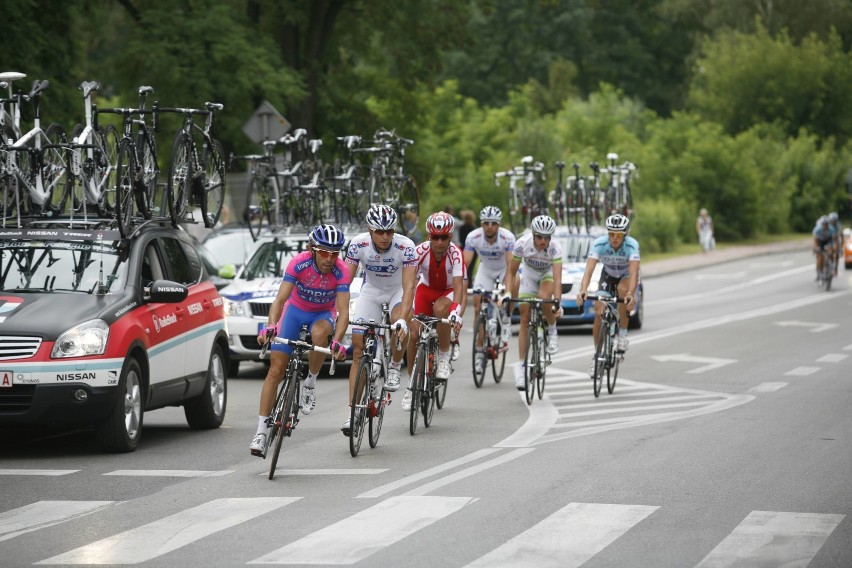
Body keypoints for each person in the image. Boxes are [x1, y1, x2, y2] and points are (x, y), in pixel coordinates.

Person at [249, 224, 350, 457]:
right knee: (275, 370)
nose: (330, 258)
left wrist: (337, 341)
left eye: (335, 253)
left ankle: (310, 382)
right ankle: (261, 432)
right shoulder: (299, 263)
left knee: (318, 335)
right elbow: (280, 299)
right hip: (295, 311)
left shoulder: (341, 271)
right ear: (312, 250)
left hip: (323, 314)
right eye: (324, 252)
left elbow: (343, 312)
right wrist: (271, 326)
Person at [342, 204, 417, 435]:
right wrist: (341, 312)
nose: (385, 237)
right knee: (357, 349)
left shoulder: (406, 246)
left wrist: (403, 319)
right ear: (370, 230)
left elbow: (409, 287)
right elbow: (344, 283)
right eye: (379, 231)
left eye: (389, 231)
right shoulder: (358, 244)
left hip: (397, 291)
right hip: (371, 291)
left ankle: (394, 365)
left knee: (398, 325)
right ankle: (353, 412)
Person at [402, 211, 465, 410]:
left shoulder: (456, 254)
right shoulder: (419, 251)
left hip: (447, 292)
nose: (439, 242)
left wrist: (455, 311)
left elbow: (459, 289)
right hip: (425, 290)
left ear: (450, 237)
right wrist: (408, 309)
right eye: (434, 237)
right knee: (414, 334)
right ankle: (412, 386)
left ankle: (444, 355)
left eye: (443, 237)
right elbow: (410, 284)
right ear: (429, 236)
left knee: (441, 309)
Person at [576, 214, 640, 377]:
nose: (614, 238)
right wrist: (583, 289)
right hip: (608, 276)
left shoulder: (632, 246)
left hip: (626, 277)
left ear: (625, 234)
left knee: (622, 291)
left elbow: (633, 273)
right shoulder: (600, 243)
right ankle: (597, 356)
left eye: (618, 235)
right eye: (611, 234)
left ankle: (623, 335)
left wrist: (631, 295)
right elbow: (589, 270)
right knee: (598, 311)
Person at [504, 214, 563, 390]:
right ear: (533, 234)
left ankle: (552, 330)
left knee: (544, 298)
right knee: (524, 317)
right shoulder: (522, 244)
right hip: (529, 275)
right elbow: (511, 272)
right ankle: (522, 369)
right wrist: (508, 292)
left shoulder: (555, 248)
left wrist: (557, 302)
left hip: (547, 275)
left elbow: (558, 279)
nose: (543, 241)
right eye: (539, 236)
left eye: (547, 237)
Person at [463, 205, 516, 375]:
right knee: (479, 309)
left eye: (493, 223)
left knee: (516, 281)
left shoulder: (507, 238)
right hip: (485, 270)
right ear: (481, 224)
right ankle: (479, 351)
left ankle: (506, 318)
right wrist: (463, 286)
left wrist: (506, 292)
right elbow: (464, 266)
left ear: (499, 225)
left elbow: (510, 268)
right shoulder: (474, 237)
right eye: (486, 223)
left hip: (503, 270)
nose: (490, 226)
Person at [812, 215, 836, 279]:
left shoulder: (831, 229)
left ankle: (831, 266)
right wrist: (816, 248)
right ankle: (820, 271)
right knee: (820, 255)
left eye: (826, 224)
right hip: (820, 241)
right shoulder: (817, 229)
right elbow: (815, 240)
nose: (825, 226)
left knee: (831, 251)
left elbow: (833, 240)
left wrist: (833, 247)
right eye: (824, 224)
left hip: (828, 239)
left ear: (828, 224)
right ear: (821, 224)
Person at [827, 211, 842, 276]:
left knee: (837, 254)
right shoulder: (827, 224)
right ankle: (827, 262)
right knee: (829, 251)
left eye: (834, 220)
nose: (833, 222)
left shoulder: (838, 225)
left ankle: (835, 268)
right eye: (832, 220)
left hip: (835, 239)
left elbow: (841, 235)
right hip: (828, 238)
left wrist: (840, 246)